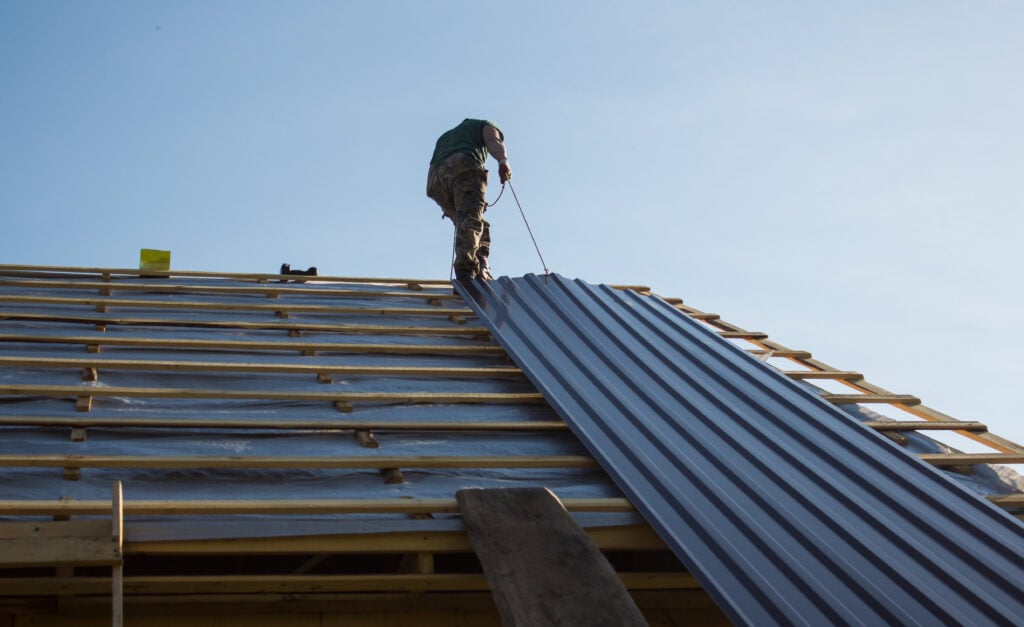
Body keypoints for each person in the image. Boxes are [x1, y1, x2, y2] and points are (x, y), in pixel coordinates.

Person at [426, 119, 512, 281]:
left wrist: (472, 198)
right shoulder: (486, 125)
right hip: (463, 165)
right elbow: (493, 141)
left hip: (435, 183)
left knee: (470, 220)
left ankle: (480, 264)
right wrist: (503, 162)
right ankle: (466, 271)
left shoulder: (445, 138)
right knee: (471, 221)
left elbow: (432, 170)